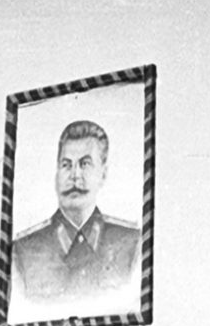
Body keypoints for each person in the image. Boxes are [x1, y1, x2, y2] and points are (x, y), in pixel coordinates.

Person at [12, 120, 140, 302]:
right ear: (56, 173)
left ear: (103, 174)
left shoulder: (131, 244)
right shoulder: (23, 251)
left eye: (85, 164)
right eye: (66, 165)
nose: (74, 175)